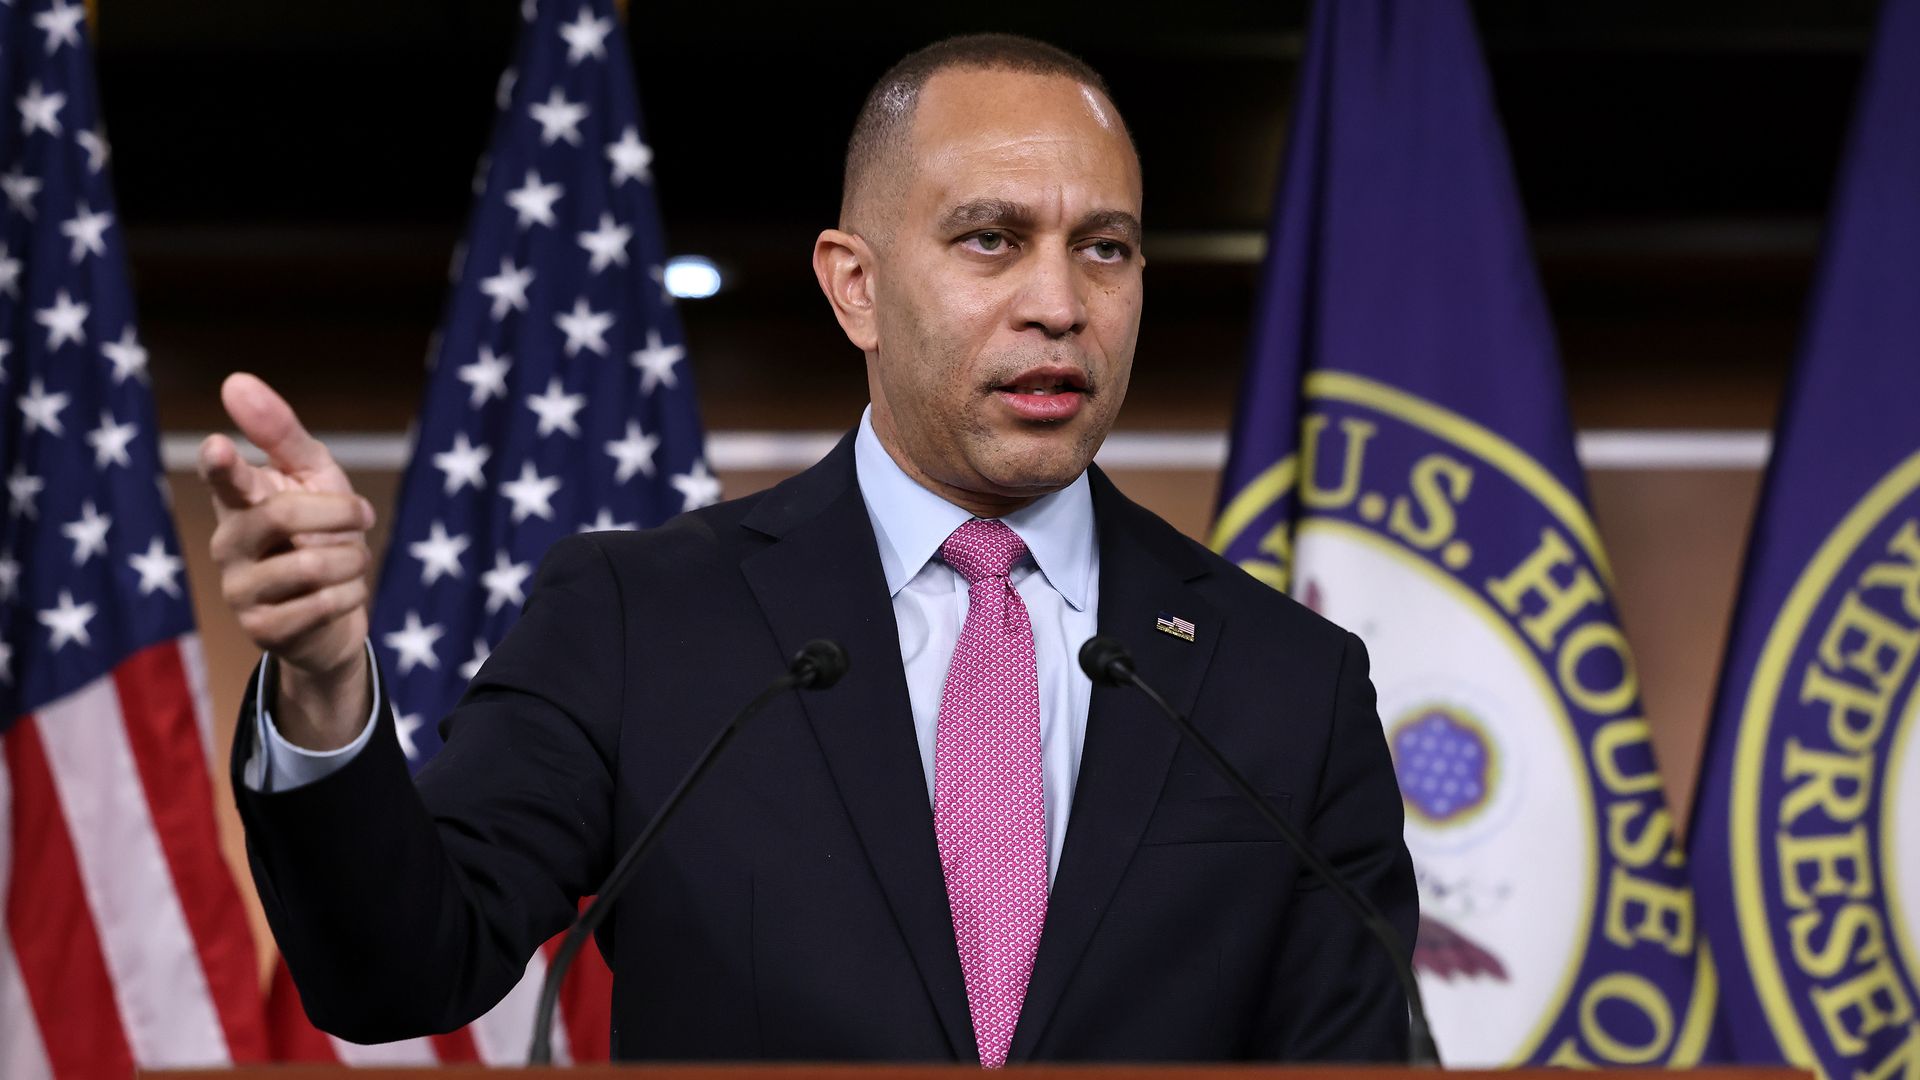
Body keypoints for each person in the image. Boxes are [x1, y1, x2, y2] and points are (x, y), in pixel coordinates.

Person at [200, 33, 1417, 1063]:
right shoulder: (640, 618)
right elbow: (401, 972)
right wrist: (320, 679)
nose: (1062, 301)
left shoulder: (1285, 682)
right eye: (991, 239)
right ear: (856, 288)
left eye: (1105, 247)